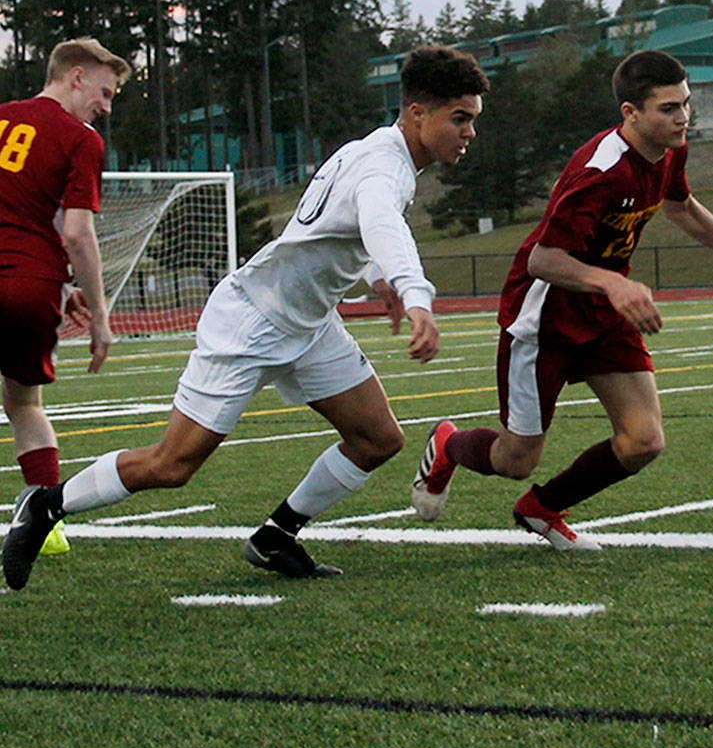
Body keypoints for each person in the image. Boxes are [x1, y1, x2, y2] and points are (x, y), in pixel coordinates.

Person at [2, 45, 489, 590]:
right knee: (171, 466)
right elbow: (379, 222)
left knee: (377, 438)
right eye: (460, 118)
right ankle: (47, 505)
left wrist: (381, 282)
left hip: (307, 321)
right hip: (254, 318)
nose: (469, 132)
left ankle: (277, 536)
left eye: (472, 119)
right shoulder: (385, 167)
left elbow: (344, 225)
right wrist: (413, 292)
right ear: (418, 113)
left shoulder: (376, 149)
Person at [411, 49, 713, 551]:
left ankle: (542, 508)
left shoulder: (670, 148)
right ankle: (447, 443)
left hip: (604, 309)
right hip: (546, 316)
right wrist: (614, 283)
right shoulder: (600, 172)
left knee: (644, 441)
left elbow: (681, 207)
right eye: (668, 109)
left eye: (685, 105)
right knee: (516, 460)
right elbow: (544, 261)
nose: (682, 118)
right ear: (631, 113)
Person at [0, 38, 130, 560]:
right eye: (104, 92)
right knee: (24, 402)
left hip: (29, 274)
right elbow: (77, 234)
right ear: (75, 77)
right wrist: (99, 315)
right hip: (29, 286)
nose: (107, 106)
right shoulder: (81, 139)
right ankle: (45, 524)